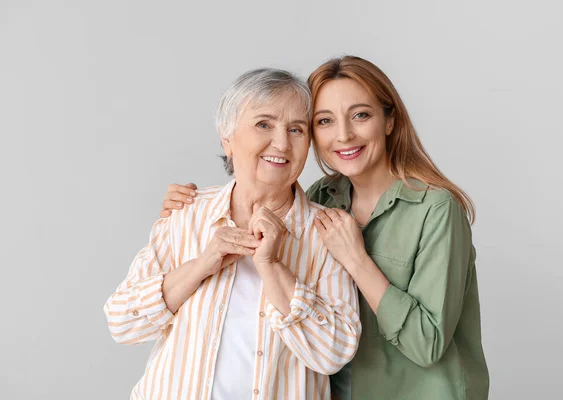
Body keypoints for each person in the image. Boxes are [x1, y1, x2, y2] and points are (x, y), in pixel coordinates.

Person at [161, 56, 489, 400]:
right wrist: (186, 207)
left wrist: (357, 261)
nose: (344, 134)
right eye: (325, 121)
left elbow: (428, 344)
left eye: (361, 115)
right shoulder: (321, 199)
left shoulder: (436, 210)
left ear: (389, 121)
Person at [104, 68, 361, 400]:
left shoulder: (328, 231)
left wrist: (272, 266)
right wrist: (202, 265)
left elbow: (332, 354)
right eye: (263, 124)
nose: (282, 143)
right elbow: (122, 323)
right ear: (227, 138)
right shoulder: (186, 213)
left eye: (295, 129)